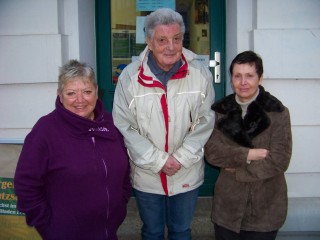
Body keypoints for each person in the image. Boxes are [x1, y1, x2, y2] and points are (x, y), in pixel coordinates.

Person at [112, 8, 215, 240]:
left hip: (186, 170)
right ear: (149, 41)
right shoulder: (130, 77)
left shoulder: (200, 74)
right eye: (162, 40)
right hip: (147, 174)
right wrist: (159, 160)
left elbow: (205, 120)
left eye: (176, 39)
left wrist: (179, 158)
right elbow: (124, 125)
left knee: (181, 231)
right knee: (152, 232)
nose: (171, 46)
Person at [14, 60, 131, 240]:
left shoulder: (109, 123)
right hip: (65, 233)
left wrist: (120, 204)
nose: (80, 100)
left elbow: (124, 168)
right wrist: (46, 225)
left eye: (87, 92)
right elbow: (26, 184)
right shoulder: (45, 130)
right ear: (60, 95)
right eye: (71, 93)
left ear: (96, 92)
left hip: (109, 231)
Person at [205, 51, 292, 240]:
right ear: (231, 79)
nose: (243, 82)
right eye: (237, 76)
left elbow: (279, 159)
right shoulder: (220, 110)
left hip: (265, 206)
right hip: (227, 205)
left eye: (249, 76)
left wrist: (237, 171)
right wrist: (249, 155)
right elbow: (212, 153)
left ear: (260, 78)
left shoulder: (278, 112)